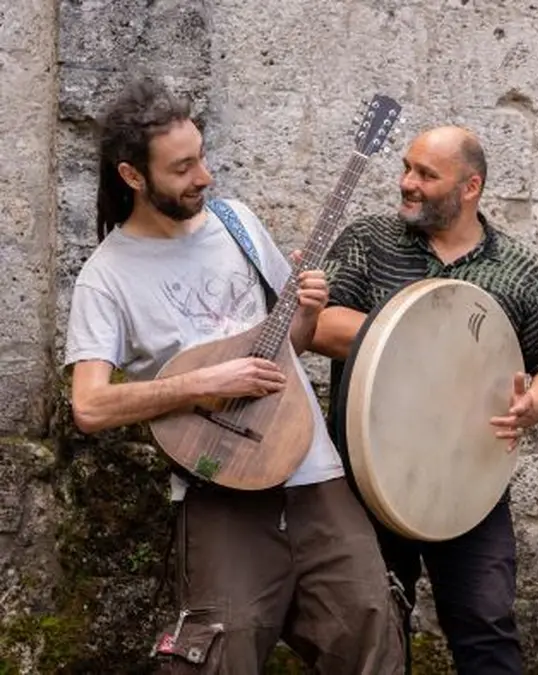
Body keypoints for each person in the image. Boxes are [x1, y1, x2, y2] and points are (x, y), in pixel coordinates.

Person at [63, 77, 406, 673]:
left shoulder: (236, 223)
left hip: (314, 473)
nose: (204, 176)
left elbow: (287, 345)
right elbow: (89, 407)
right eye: (183, 167)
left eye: (202, 156)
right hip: (218, 484)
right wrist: (201, 383)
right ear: (132, 177)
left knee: (373, 628)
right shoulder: (107, 276)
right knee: (223, 648)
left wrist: (308, 310)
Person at [310, 125, 538, 674]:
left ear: (470, 186)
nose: (408, 183)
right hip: (366, 478)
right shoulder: (369, 241)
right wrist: (415, 341)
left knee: (486, 628)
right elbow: (319, 324)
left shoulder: (518, 271)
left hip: (468, 486)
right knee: (373, 631)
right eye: (407, 168)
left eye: (427, 175)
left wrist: (534, 405)